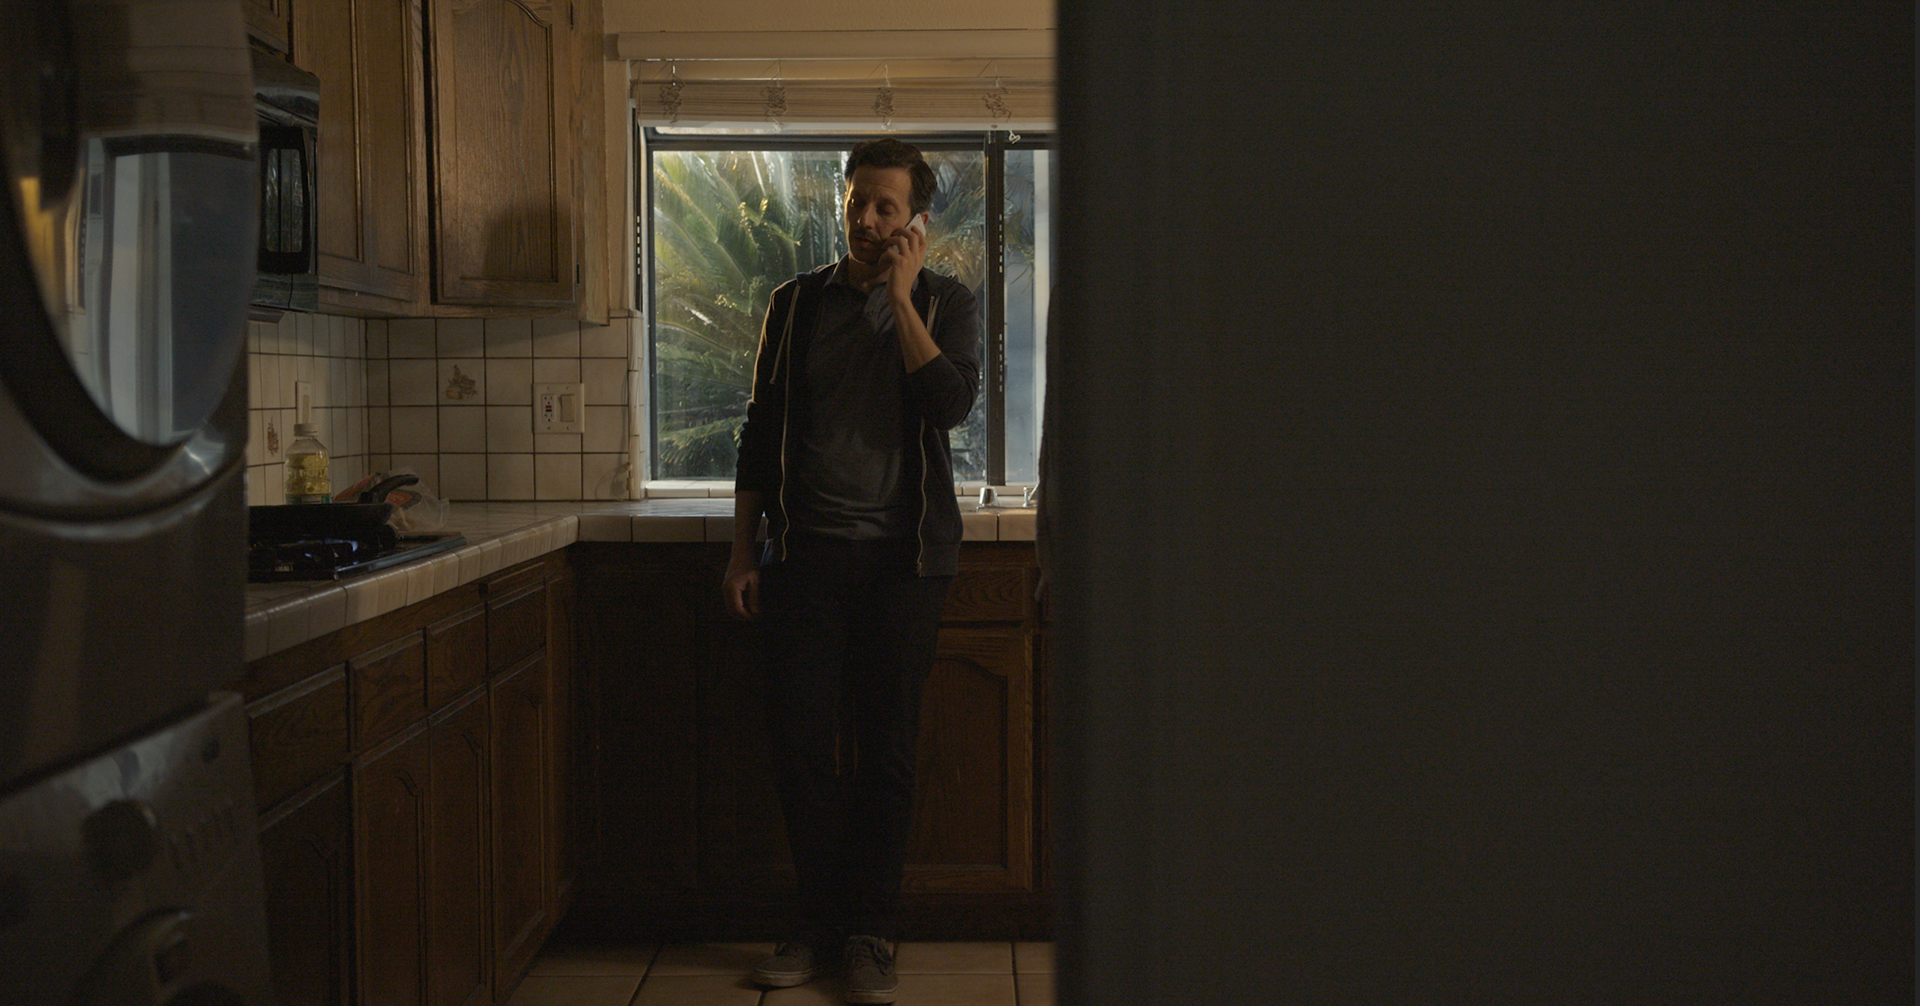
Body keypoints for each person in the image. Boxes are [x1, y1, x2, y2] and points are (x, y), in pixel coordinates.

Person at [724, 138, 981, 1005]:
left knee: (887, 755)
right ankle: (818, 926)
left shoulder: (947, 302)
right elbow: (759, 431)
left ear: (916, 222)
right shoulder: (795, 304)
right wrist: (742, 551)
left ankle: (870, 932)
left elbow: (949, 403)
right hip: (805, 560)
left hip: (906, 565)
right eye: (856, 203)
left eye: (885, 208)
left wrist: (901, 300)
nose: (866, 221)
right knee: (801, 749)